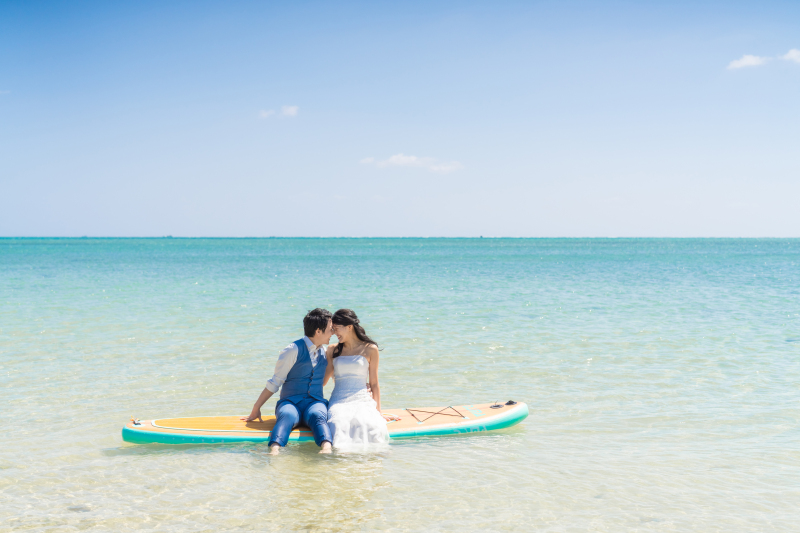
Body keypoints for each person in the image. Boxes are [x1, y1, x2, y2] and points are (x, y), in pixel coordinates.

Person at [242, 308, 334, 455]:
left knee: (319, 415)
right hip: (290, 402)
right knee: (287, 415)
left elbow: (333, 376)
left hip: (315, 402)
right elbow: (275, 382)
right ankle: (275, 450)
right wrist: (256, 408)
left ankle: (326, 449)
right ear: (318, 331)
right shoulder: (293, 350)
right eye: (330, 329)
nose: (333, 333)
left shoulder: (325, 352)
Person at [324, 309, 395, 451]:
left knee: (370, 424)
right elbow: (323, 381)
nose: (334, 333)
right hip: (339, 400)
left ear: (349, 327)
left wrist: (378, 411)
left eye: (337, 329)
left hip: (362, 399)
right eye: (333, 329)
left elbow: (374, 383)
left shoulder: (370, 349)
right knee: (338, 423)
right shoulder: (332, 350)